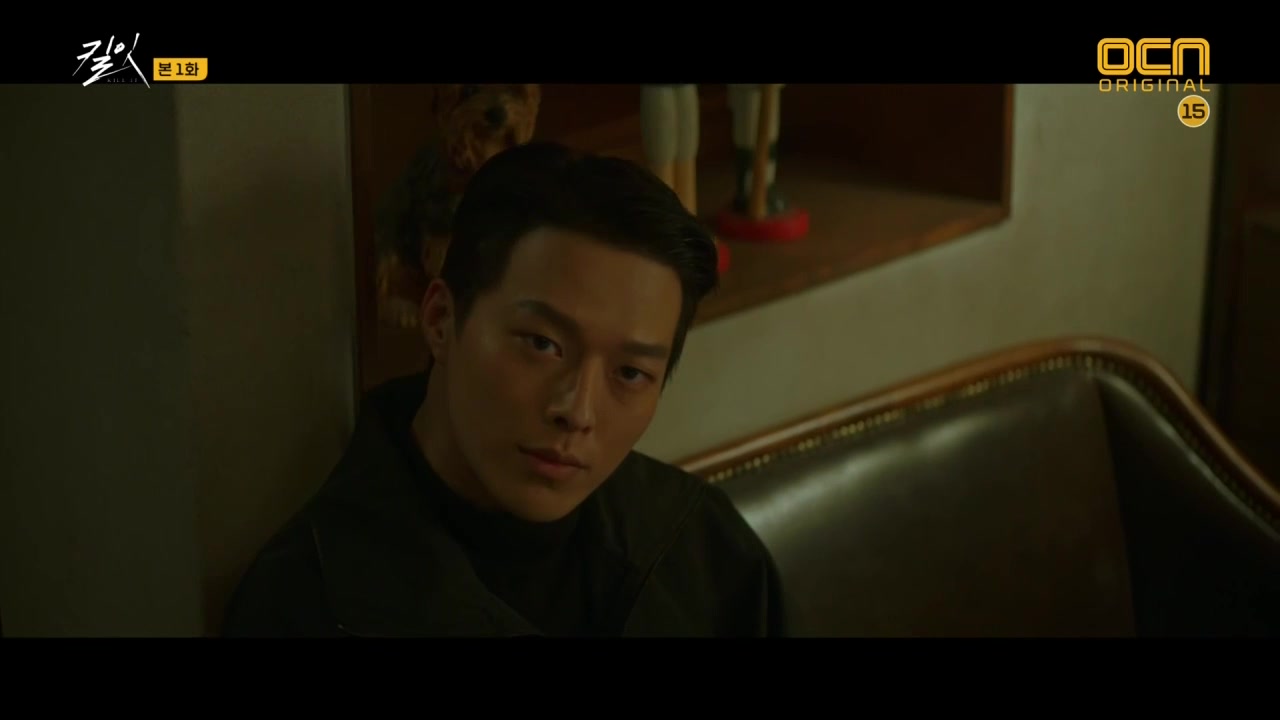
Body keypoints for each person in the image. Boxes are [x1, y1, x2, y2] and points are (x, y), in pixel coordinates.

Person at [221, 141, 785, 637]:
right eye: (542, 344)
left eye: (630, 373)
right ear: (441, 320)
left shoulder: (700, 553)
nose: (577, 411)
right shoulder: (310, 603)